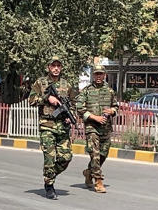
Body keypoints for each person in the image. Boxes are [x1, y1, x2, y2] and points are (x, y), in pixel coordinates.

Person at [29, 55, 75, 199]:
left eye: (58, 66)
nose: (56, 68)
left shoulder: (66, 85)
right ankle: (49, 185)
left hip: (62, 127)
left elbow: (73, 103)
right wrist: (46, 98)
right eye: (53, 65)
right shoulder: (40, 83)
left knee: (66, 157)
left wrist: (70, 115)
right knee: (50, 157)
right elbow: (31, 100)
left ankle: (49, 174)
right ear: (49, 67)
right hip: (47, 125)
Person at [75, 64, 118, 193]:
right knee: (95, 154)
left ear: (104, 75)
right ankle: (98, 181)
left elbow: (116, 106)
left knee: (103, 154)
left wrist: (111, 111)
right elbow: (79, 108)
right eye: (96, 74)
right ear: (93, 75)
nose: (98, 76)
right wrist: (94, 117)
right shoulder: (87, 90)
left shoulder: (109, 91)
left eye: (101, 74)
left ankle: (89, 172)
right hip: (91, 127)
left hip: (105, 128)